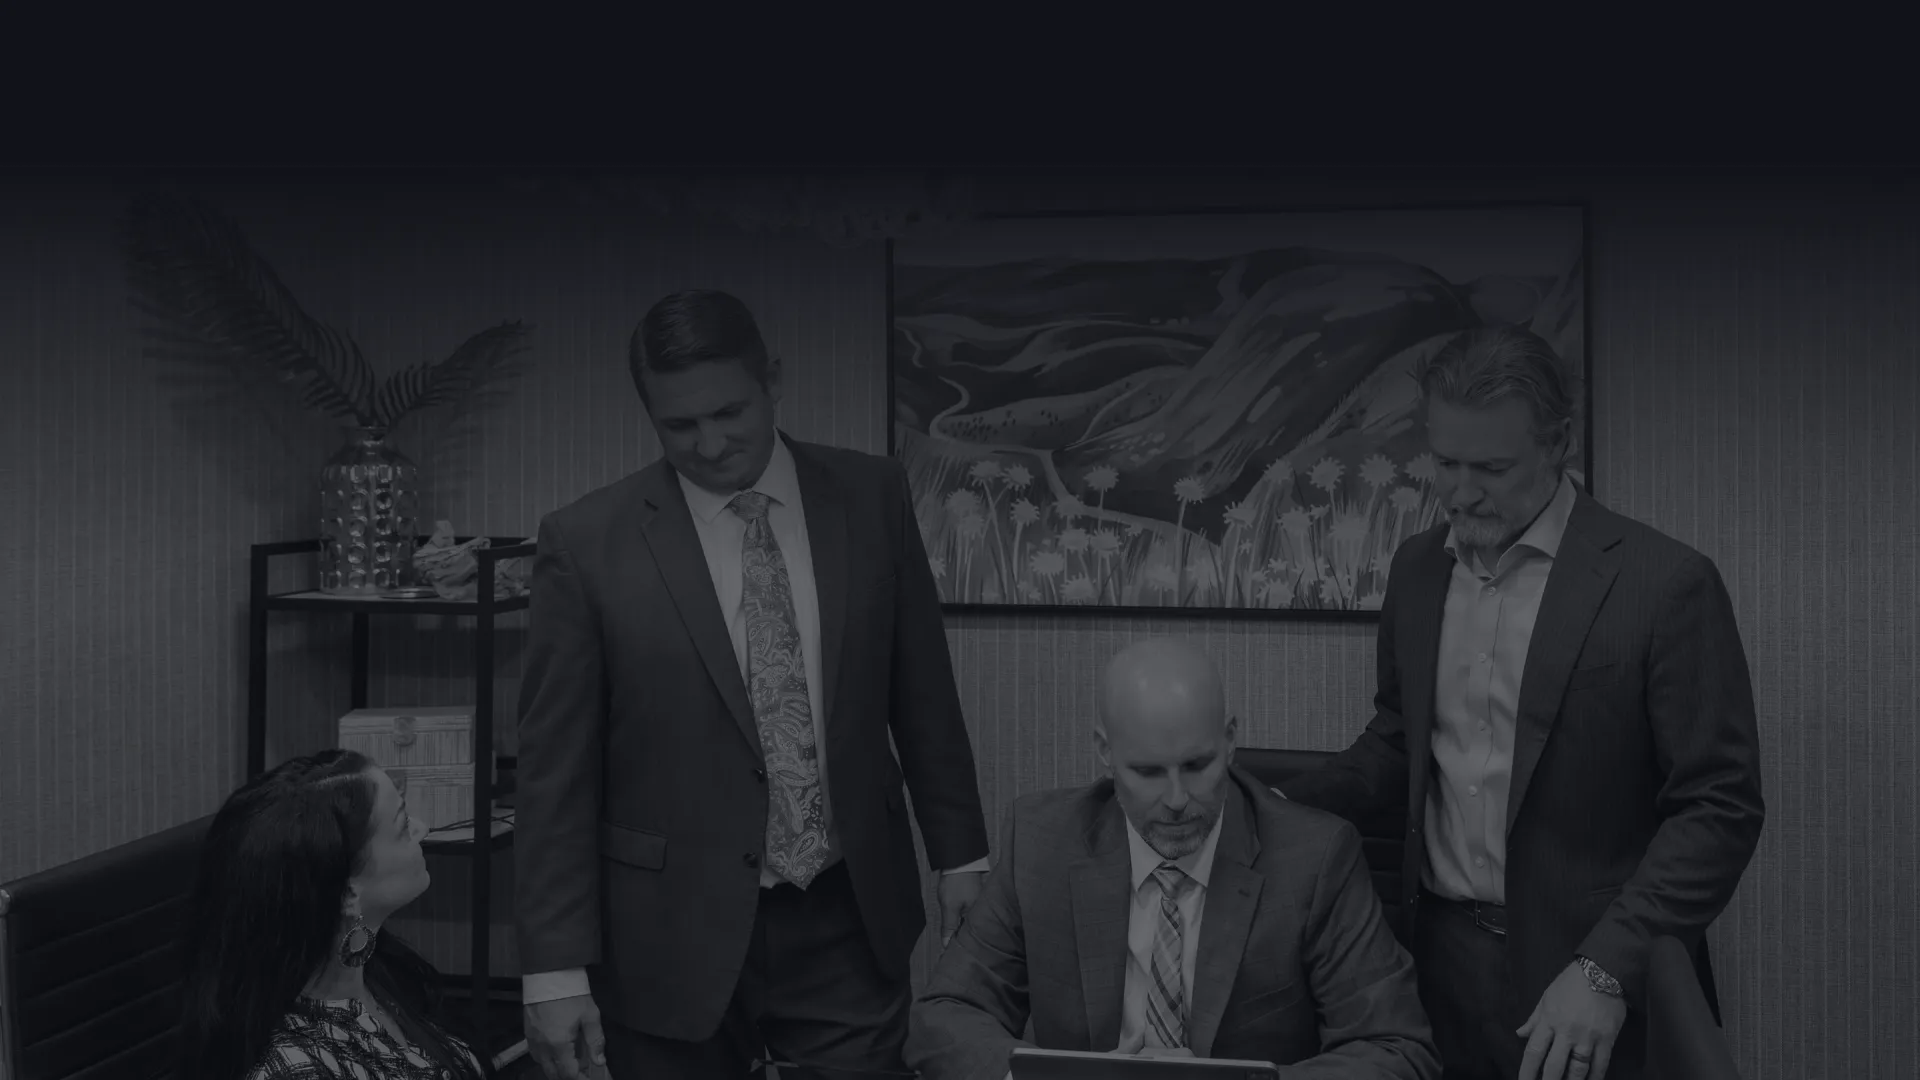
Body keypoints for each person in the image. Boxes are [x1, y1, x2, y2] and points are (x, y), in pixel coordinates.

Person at [514, 288, 994, 1079]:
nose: (709, 444)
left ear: (773, 377)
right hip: (664, 935)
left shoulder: (872, 496)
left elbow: (922, 693)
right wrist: (554, 971)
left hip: (847, 909)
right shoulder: (586, 544)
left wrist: (962, 855)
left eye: (728, 412)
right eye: (679, 426)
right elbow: (555, 773)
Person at [1278, 324, 1766, 1080]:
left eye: (1492, 467)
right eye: (1444, 462)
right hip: (1435, 965)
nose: (1460, 491)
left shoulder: (1664, 585)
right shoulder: (1415, 570)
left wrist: (1606, 969)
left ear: (1558, 443)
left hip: (1596, 982)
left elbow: (1720, 806)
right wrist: (1271, 806)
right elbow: (1401, 741)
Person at [906, 637, 1441, 1080]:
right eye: (1147, 773)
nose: (1178, 799)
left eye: (1197, 765)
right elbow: (944, 1016)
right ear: (1104, 752)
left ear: (1230, 740)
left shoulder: (1315, 857)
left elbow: (1397, 1048)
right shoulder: (1043, 842)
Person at [175, 748, 491, 1080]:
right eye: (402, 825)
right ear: (347, 893)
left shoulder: (381, 973)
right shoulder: (297, 1068)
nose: (422, 829)